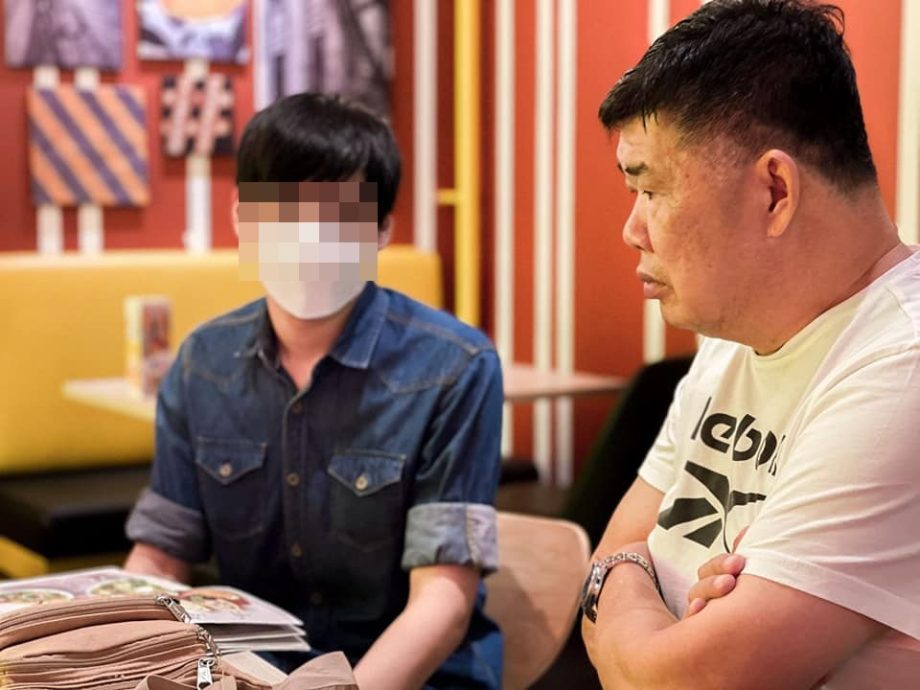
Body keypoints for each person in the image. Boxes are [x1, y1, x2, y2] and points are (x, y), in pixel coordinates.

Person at [579, 1, 920, 688]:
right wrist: (635, 583)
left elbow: (677, 679)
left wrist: (629, 589)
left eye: (651, 189)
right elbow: (612, 552)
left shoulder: (901, 364)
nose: (632, 230)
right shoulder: (734, 337)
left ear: (773, 191)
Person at [124, 92, 503, 690]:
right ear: (242, 219)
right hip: (248, 671)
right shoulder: (202, 362)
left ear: (381, 229)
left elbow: (443, 600)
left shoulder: (455, 367)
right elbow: (161, 555)